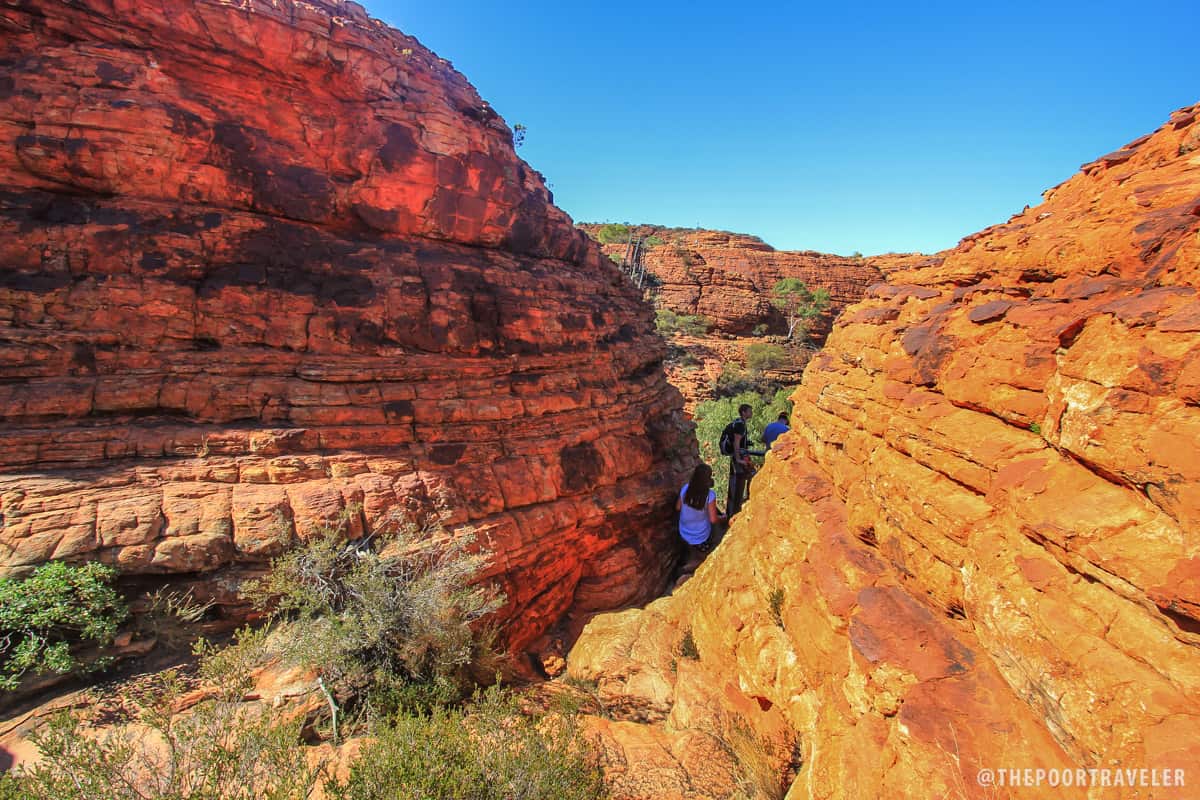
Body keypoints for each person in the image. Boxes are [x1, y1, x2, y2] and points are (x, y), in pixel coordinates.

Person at [676, 463, 725, 556]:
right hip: (700, 536)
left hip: (683, 532)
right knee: (718, 528)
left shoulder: (685, 489)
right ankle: (705, 551)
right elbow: (713, 520)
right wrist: (723, 518)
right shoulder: (710, 495)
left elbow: (678, 507)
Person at [726, 403, 755, 517]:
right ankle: (734, 512)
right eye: (749, 411)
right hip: (738, 457)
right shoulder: (740, 425)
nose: (751, 413)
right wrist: (738, 459)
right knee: (742, 478)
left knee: (740, 479)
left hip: (739, 455)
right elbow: (736, 442)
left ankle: (734, 511)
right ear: (744, 412)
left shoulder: (740, 423)